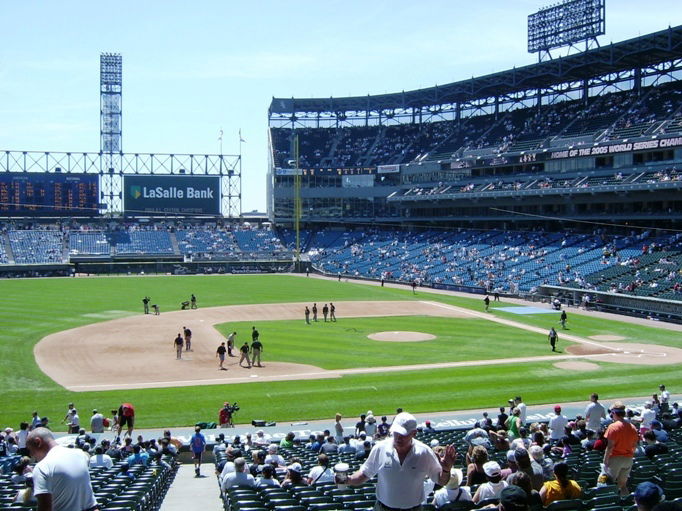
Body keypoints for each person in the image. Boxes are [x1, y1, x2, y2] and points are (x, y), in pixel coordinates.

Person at [346, 411, 456, 511]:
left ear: (414, 433)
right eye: (396, 432)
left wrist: (446, 470)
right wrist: (348, 480)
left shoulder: (424, 452)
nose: (398, 438)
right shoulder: (380, 448)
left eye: (403, 434)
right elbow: (364, 473)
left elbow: (441, 480)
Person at [27, 428, 99, 511]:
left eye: (30, 449)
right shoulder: (80, 454)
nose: (31, 454)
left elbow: (45, 508)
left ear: (38, 442)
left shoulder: (42, 467)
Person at [603, 401, 639, 496]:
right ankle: (625, 503)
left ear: (614, 413)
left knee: (609, 484)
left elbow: (610, 446)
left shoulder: (613, 427)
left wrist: (605, 460)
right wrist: (630, 455)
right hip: (628, 459)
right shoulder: (632, 427)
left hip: (615, 459)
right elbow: (634, 445)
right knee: (623, 485)